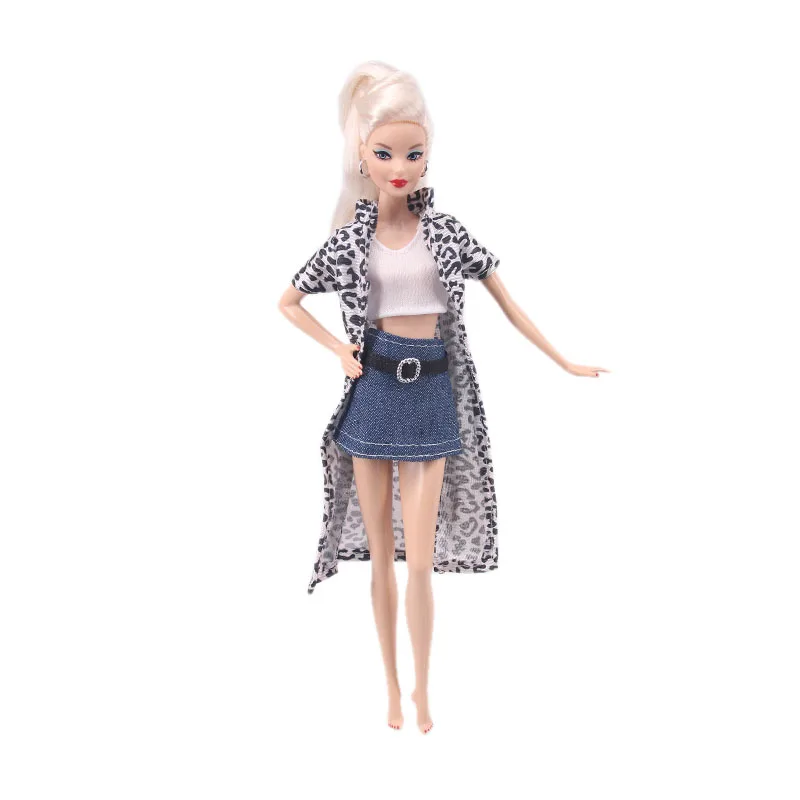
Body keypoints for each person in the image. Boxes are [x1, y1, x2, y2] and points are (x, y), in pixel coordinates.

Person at [278, 61, 609, 735]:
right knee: (381, 561)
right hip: (373, 393)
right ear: (361, 155)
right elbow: (288, 301)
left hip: (432, 392)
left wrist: (565, 361)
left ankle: (424, 692)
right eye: (385, 153)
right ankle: (390, 691)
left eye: (414, 152)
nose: (400, 167)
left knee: (420, 564)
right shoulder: (348, 241)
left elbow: (509, 305)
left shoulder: (449, 233)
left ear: (429, 153)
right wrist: (338, 349)